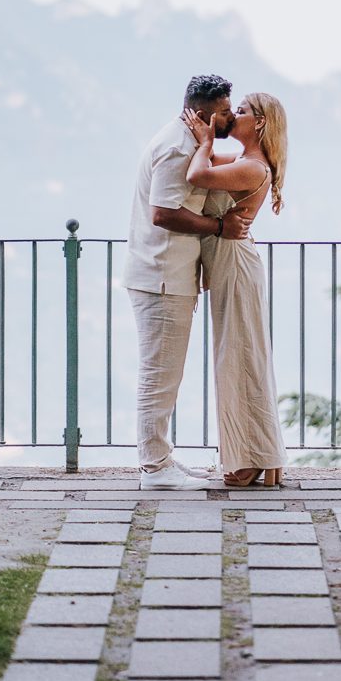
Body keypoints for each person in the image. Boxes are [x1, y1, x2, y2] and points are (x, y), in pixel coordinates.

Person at [123, 75, 253, 491]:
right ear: (203, 113)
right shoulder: (179, 148)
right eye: (225, 112)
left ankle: (160, 459)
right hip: (162, 276)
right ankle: (154, 467)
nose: (231, 118)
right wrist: (218, 226)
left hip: (168, 274)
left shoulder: (188, 141)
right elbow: (163, 212)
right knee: (159, 374)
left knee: (165, 373)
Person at [184, 93, 288, 488]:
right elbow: (202, 165)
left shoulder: (251, 168)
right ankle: (258, 453)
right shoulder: (247, 163)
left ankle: (253, 457)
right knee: (239, 356)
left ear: (259, 123)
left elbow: (198, 175)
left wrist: (206, 141)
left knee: (241, 358)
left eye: (240, 112)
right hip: (231, 262)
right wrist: (201, 140)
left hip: (237, 264)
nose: (233, 116)